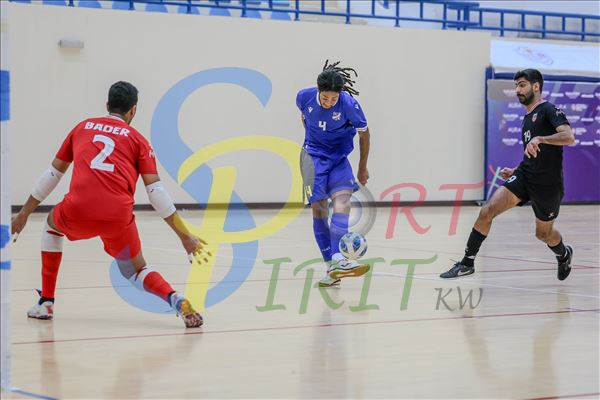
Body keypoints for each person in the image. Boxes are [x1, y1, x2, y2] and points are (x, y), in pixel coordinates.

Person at [11, 81, 209, 328]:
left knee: (52, 226)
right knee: (136, 271)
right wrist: (184, 236)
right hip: (118, 218)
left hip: (77, 210)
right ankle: (175, 298)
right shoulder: (138, 140)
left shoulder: (82, 127)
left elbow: (53, 174)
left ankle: (46, 302)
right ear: (133, 110)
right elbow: (156, 193)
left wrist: (24, 214)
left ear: (107, 105)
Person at [440, 69, 574, 280]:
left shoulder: (549, 109)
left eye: (522, 85)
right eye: (516, 86)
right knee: (487, 211)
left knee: (543, 234)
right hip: (525, 176)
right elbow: (533, 155)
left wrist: (541, 139)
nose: (517, 90)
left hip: (548, 185)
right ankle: (467, 263)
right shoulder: (527, 118)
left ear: (536, 86)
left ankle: (563, 253)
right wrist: (516, 170)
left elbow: (569, 137)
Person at [296, 60, 372, 287]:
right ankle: (332, 266)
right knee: (319, 210)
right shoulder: (303, 97)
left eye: (333, 99)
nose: (329, 103)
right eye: (325, 98)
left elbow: (365, 134)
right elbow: (304, 118)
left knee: (342, 202)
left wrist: (362, 167)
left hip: (339, 158)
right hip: (312, 158)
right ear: (318, 90)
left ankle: (339, 259)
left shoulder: (349, 104)